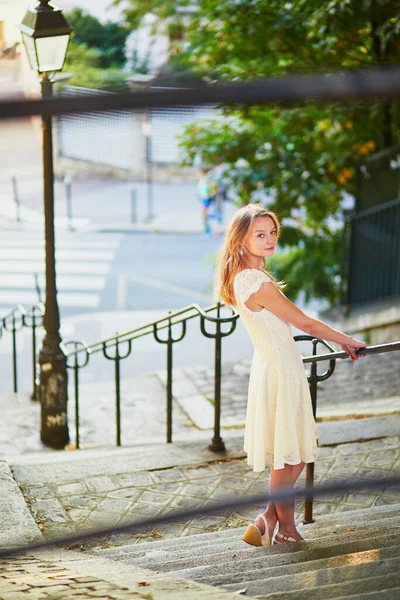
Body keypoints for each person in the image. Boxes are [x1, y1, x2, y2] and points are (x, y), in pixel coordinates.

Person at [216, 203, 367, 546]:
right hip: (279, 371)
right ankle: (286, 528)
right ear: (241, 240)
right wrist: (346, 341)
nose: (269, 240)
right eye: (260, 235)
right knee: (291, 455)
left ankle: (268, 518)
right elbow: (305, 323)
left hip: (279, 367)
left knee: (295, 449)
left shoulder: (251, 277)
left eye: (272, 233)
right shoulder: (253, 281)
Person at [197, 169, 216, 235]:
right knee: (204, 214)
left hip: (207, 198)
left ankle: (208, 229)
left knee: (204, 214)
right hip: (204, 198)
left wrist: (211, 195)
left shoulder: (207, 180)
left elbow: (212, 188)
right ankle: (207, 228)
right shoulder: (202, 180)